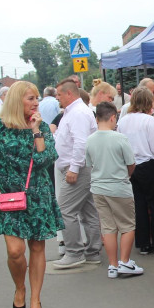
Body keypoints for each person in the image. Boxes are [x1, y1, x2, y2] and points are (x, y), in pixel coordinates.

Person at [0, 81, 62, 308]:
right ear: (17, 100)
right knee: (15, 251)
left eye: (37, 98)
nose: (35, 102)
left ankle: (35, 299)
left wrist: (37, 130)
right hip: (9, 195)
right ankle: (20, 287)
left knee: (38, 248)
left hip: (37, 195)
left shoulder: (41, 128)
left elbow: (46, 158)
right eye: (30, 98)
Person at [85, 102, 142, 278]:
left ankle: (113, 265)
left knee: (108, 227)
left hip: (98, 188)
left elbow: (89, 164)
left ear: (96, 119)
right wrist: (127, 175)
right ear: (112, 118)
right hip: (119, 186)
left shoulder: (89, 139)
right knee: (127, 225)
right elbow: (131, 163)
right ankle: (125, 262)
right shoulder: (120, 138)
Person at [51, 79, 102, 269]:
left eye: (59, 95)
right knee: (88, 211)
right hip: (80, 167)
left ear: (69, 94)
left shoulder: (78, 113)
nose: (57, 98)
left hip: (78, 169)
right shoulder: (74, 112)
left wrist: (74, 168)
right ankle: (92, 251)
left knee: (65, 210)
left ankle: (74, 252)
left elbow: (81, 143)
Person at [117, 87, 154, 255]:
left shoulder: (123, 121)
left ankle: (143, 243)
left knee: (139, 205)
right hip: (149, 164)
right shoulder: (148, 120)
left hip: (131, 166)